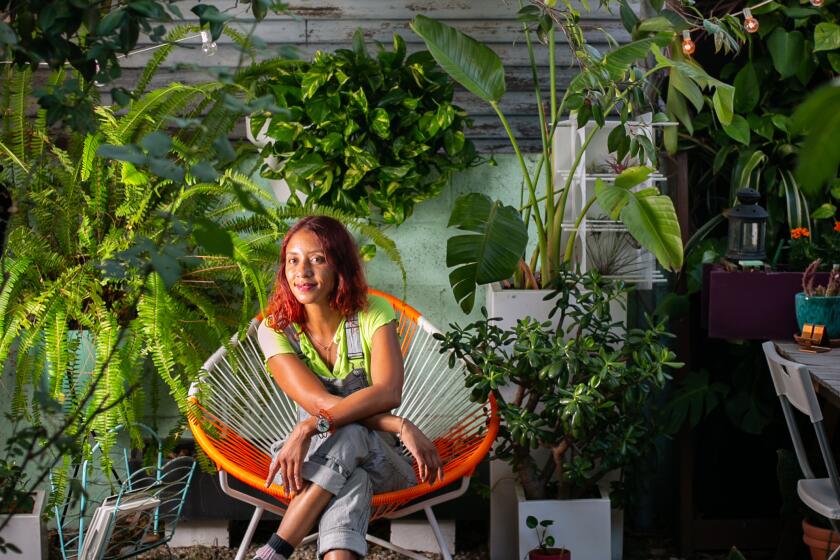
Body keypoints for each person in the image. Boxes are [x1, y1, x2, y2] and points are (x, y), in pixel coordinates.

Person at [253, 216, 444, 560]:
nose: (303, 272)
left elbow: (388, 393)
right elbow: (322, 403)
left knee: (354, 435)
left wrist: (310, 426)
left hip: (380, 461)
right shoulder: (276, 329)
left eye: (317, 259)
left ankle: (274, 551)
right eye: (293, 260)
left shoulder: (372, 313)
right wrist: (398, 424)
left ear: (339, 264)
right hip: (305, 465)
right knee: (350, 474)